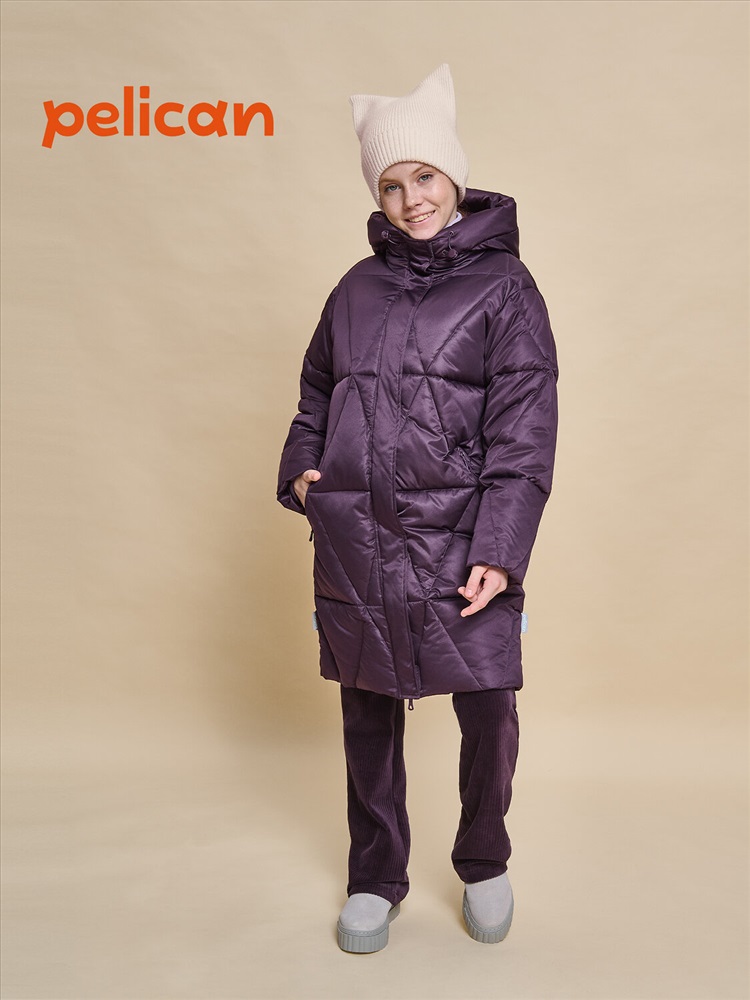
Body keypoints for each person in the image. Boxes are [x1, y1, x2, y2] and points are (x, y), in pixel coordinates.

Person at [276, 64, 558, 953]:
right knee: (367, 714)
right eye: (391, 185)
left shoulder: (506, 288)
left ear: (454, 175)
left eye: (425, 176)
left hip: (463, 544)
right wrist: (303, 472)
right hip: (359, 539)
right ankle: (375, 875)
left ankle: (484, 858)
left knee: (489, 709)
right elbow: (316, 392)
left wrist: (500, 547)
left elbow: (524, 429)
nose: (411, 200)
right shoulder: (354, 289)